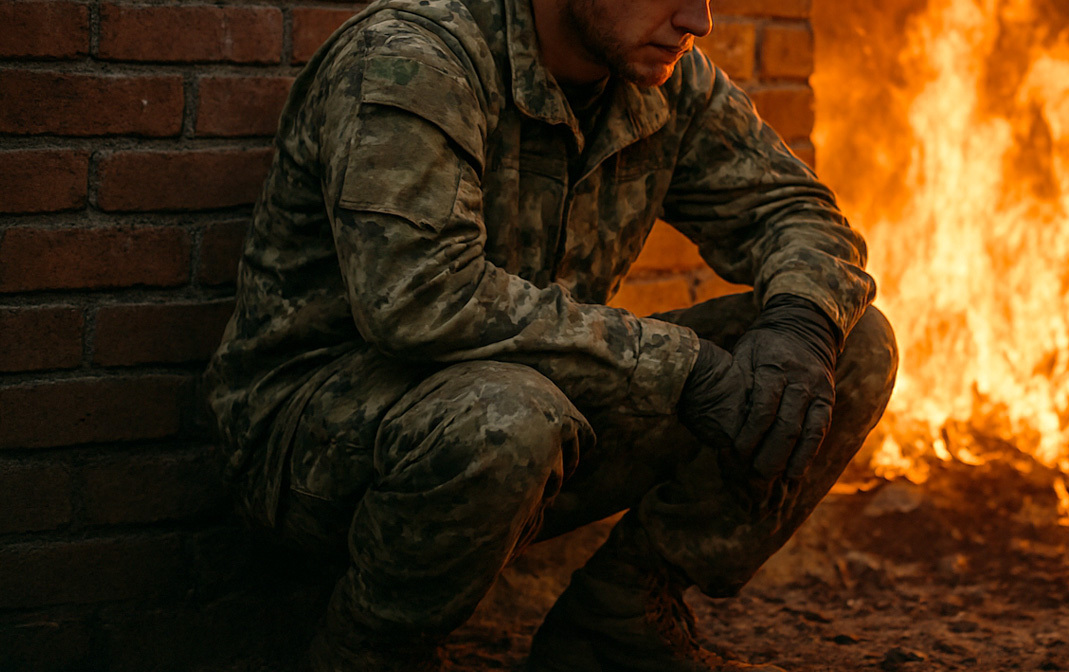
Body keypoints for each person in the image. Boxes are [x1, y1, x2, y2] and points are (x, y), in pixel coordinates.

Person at [204, 0, 898, 669]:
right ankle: (366, 656)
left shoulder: (662, 75)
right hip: (315, 439)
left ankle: (616, 625)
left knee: (850, 346)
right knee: (510, 418)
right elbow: (419, 298)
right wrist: (689, 373)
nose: (699, 20)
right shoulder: (415, 58)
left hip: (533, 408)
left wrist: (799, 326)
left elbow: (795, 211)